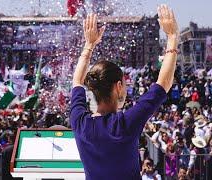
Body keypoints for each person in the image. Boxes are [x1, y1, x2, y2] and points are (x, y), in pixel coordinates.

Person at [70, 4, 179, 180]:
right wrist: (172, 37)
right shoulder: (126, 123)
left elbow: (76, 81)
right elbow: (163, 84)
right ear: (118, 86)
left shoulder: (80, 122)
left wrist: (89, 45)